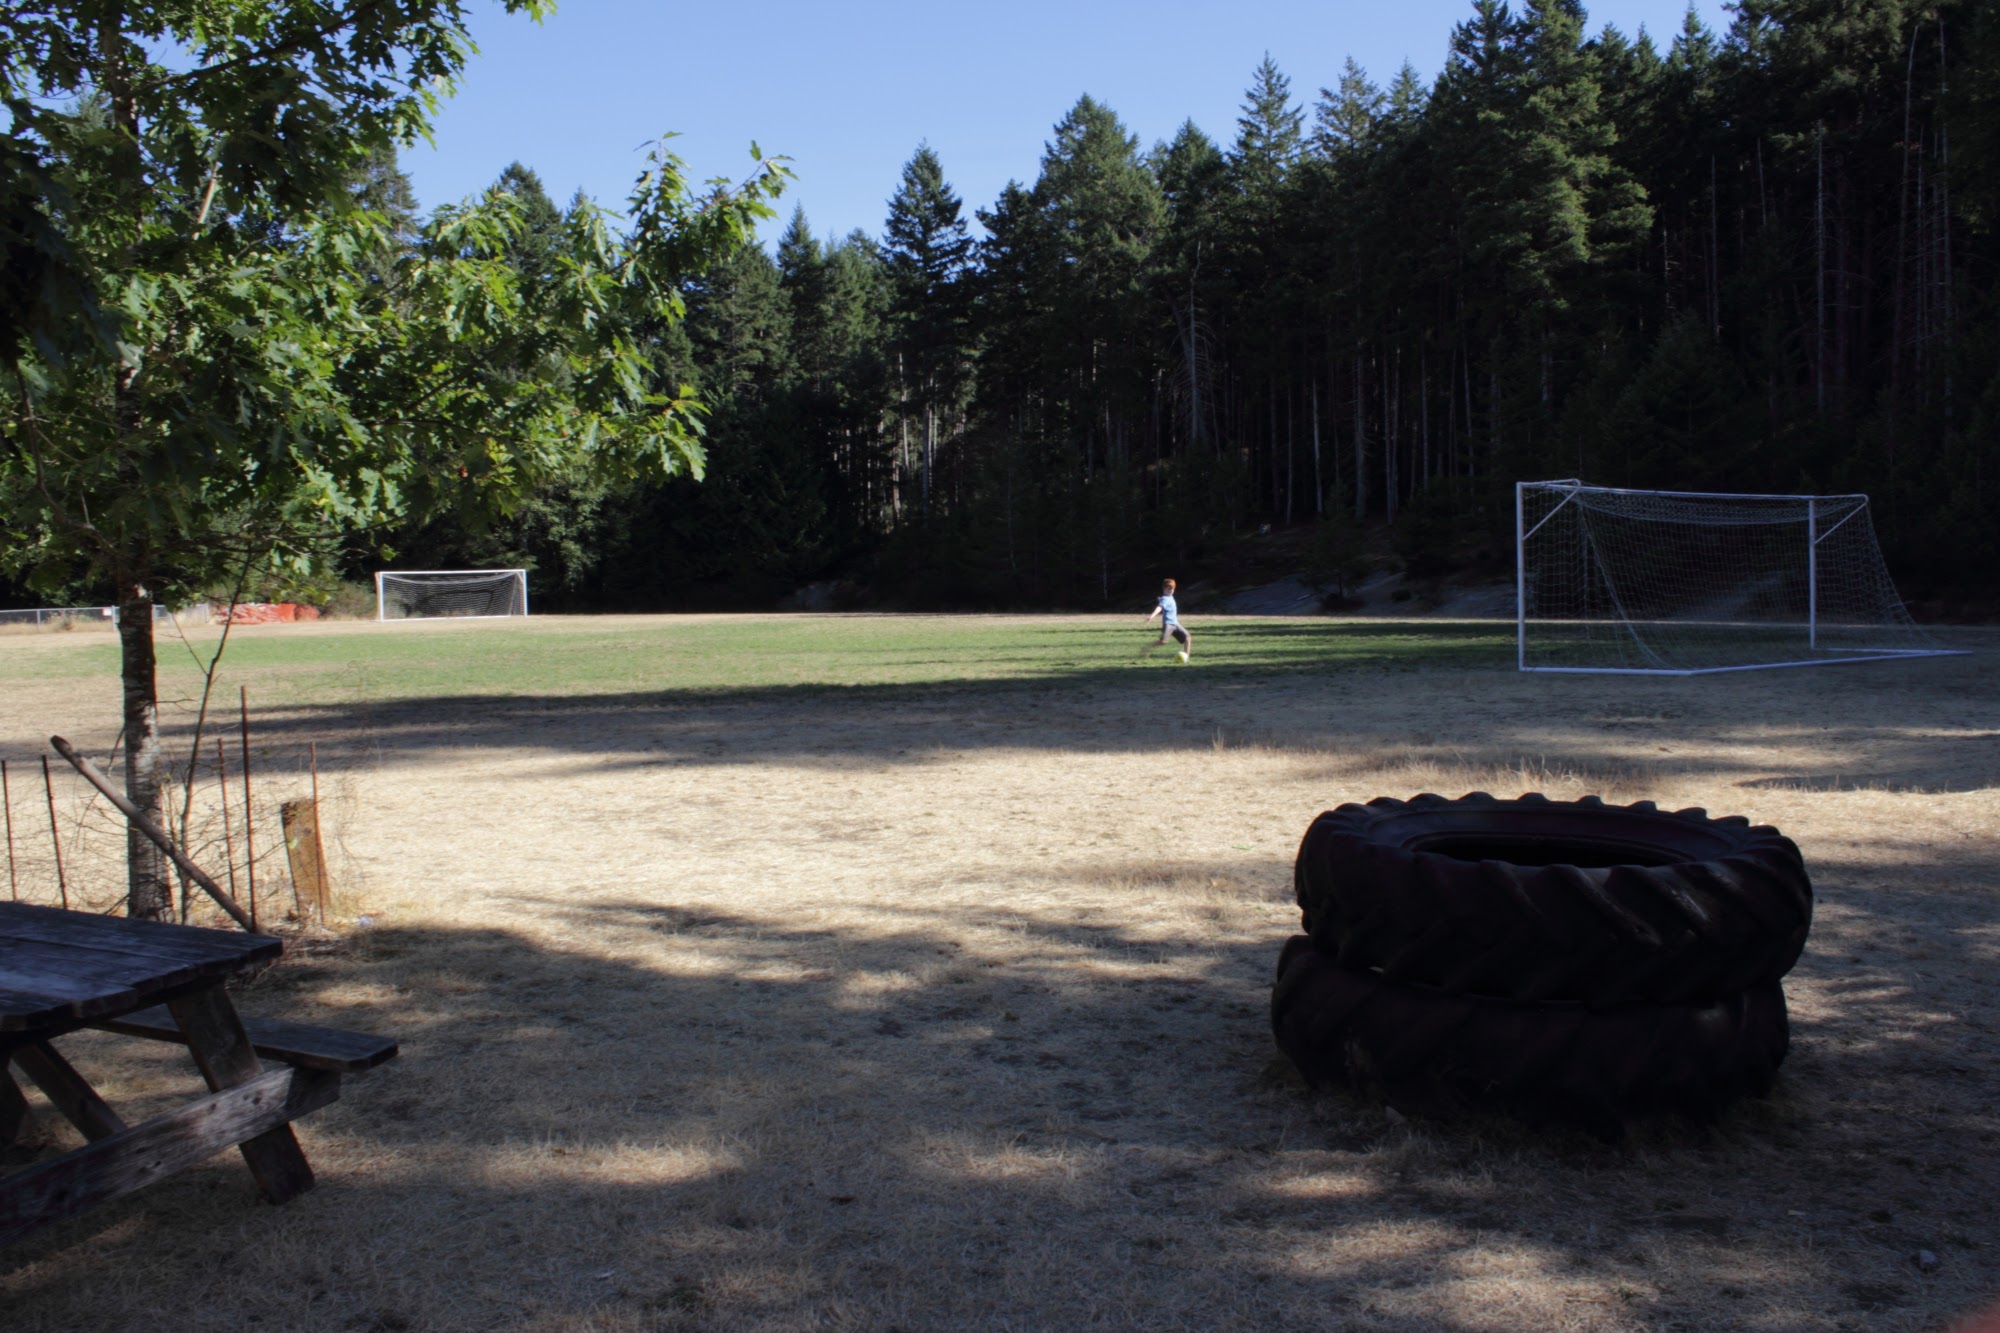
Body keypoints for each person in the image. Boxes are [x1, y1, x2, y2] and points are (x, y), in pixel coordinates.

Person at [1145, 577, 1192, 663]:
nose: (1171, 590)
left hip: (1176, 623)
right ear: (1164, 589)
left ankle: (1186, 658)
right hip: (1168, 624)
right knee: (1163, 641)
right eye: (1169, 588)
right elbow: (1159, 608)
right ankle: (1148, 647)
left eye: (1173, 589)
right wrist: (1152, 616)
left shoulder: (1171, 597)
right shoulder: (1164, 599)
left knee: (1188, 637)